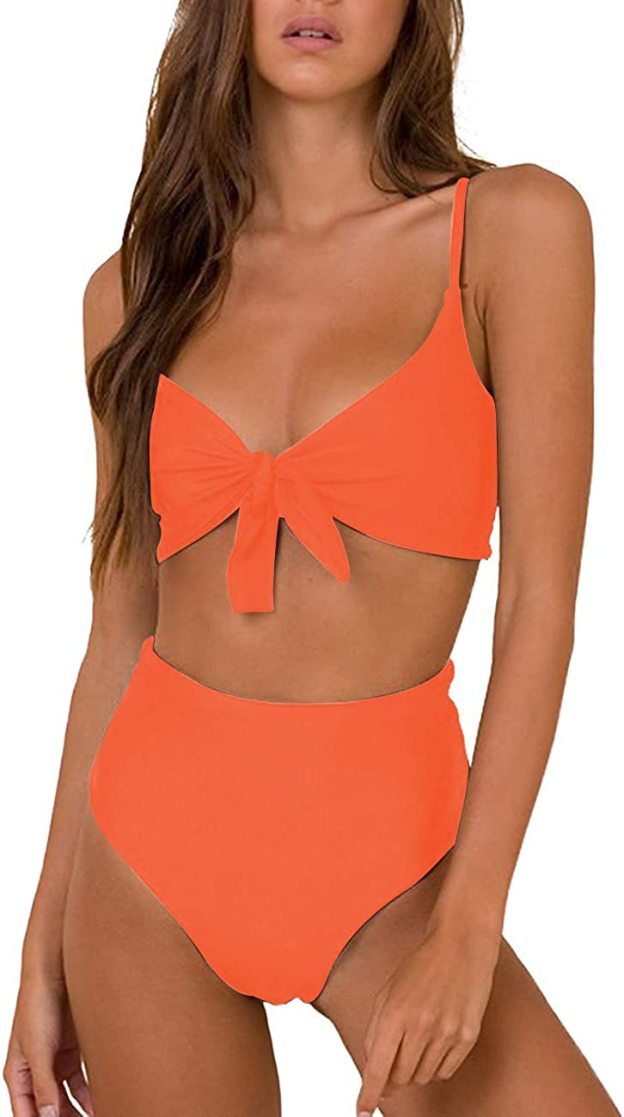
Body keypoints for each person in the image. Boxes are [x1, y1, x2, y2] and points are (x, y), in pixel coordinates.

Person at [4, 2, 620, 1115]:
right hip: (143, 869)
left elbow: (540, 602)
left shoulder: (512, 231)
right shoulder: (133, 292)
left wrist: (468, 927)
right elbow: (118, 628)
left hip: (398, 876)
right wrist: (40, 947)